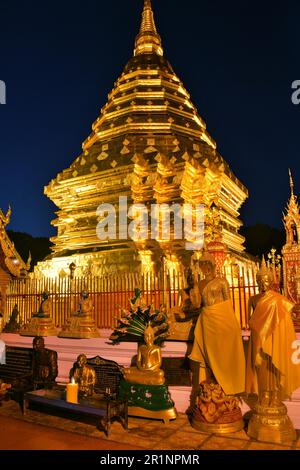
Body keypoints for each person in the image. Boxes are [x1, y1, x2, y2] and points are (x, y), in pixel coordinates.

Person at [189, 252, 245, 403]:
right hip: (207, 320)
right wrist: (194, 286)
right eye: (203, 265)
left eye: (208, 265)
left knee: (224, 353)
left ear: (213, 266)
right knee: (210, 355)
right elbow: (197, 305)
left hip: (223, 319)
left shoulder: (221, 281)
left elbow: (228, 303)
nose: (206, 268)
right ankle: (213, 382)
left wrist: (233, 323)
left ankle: (226, 385)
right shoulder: (200, 284)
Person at [246, 261, 300, 405]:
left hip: (274, 337)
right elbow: (249, 320)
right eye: (261, 279)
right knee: (263, 369)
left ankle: (275, 395)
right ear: (257, 281)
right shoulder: (253, 299)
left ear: (271, 280)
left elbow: (284, 320)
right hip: (258, 339)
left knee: (274, 367)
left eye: (267, 279)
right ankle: (264, 395)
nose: (264, 282)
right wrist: (260, 323)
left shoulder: (278, 299)